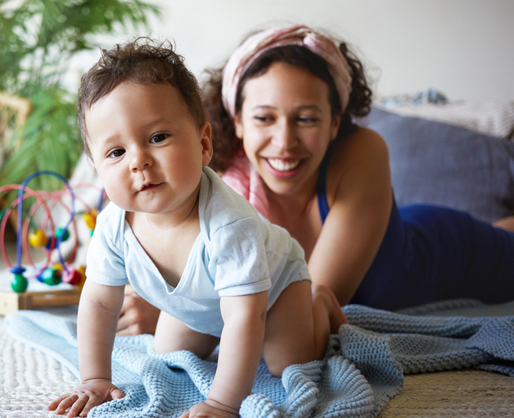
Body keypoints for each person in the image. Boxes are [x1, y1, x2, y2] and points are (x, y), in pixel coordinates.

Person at [117, 24, 514, 336]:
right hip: (399, 223)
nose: (285, 142)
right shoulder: (219, 186)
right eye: (263, 118)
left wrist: (184, 310)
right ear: (237, 121)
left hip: (444, 249)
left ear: (334, 122)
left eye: (306, 118)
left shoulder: (364, 151)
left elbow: (299, 312)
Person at [47, 38, 347, 418]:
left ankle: (317, 303)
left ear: (204, 144)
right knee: (168, 353)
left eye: (158, 138)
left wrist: (222, 403)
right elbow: (99, 302)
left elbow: (245, 316)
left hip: (274, 290)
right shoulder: (113, 226)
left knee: (287, 359)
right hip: (204, 304)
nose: (138, 162)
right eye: (116, 152)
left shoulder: (228, 224)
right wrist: (94, 378)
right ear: (96, 167)